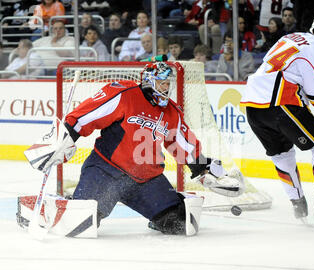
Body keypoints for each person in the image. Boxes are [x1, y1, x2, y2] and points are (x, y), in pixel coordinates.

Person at [22, 62, 242, 236]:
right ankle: (46, 206)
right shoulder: (124, 94)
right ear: (149, 81)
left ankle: (166, 209)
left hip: (147, 181)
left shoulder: (172, 112)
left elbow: (184, 146)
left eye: (168, 85)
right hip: (106, 173)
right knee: (80, 223)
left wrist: (204, 170)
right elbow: (87, 116)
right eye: (162, 83)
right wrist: (64, 138)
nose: (166, 89)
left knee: (180, 224)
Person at [240, 13, 314, 227]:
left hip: (253, 106)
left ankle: (298, 207)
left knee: (282, 155)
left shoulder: (291, 38)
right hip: (280, 101)